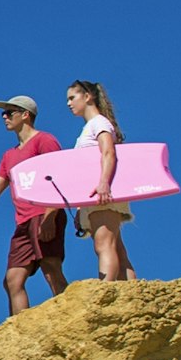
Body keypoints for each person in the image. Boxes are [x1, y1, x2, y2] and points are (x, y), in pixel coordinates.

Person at [0, 93, 68, 316]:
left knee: (51, 268)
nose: (4, 117)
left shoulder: (45, 141)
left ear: (25, 115)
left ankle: (70, 317)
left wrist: (50, 216)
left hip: (44, 214)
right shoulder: (9, 155)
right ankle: (19, 331)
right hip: (23, 222)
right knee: (12, 280)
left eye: (9, 112)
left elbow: (58, 177)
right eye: (3, 113)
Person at [62, 77, 137, 282]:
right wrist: (79, 208)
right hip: (96, 194)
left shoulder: (100, 123)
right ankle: (134, 295)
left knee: (103, 245)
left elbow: (108, 153)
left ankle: (105, 292)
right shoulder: (90, 127)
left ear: (87, 97)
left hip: (103, 191)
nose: (68, 103)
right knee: (116, 248)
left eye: (72, 97)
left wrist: (104, 183)